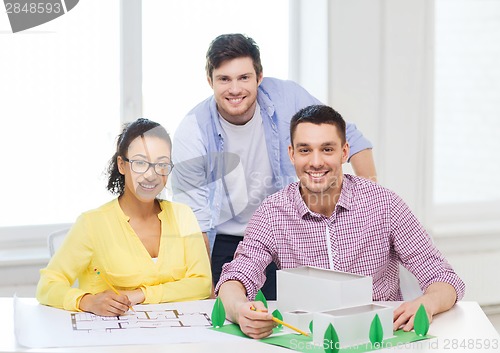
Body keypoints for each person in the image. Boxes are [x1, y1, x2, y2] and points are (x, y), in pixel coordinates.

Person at [216, 104, 465, 339]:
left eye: (327, 149)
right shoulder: (272, 212)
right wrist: (240, 310)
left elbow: (445, 279)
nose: (315, 162)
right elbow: (234, 278)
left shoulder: (384, 204)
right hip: (305, 337)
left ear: (344, 152)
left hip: (379, 334)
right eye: (305, 150)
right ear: (292, 154)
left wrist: (427, 302)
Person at [171, 33, 376, 300]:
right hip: (224, 240)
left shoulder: (287, 97)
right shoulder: (192, 132)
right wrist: (207, 289)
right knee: (231, 317)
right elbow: (194, 221)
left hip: (285, 232)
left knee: (305, 310)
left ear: (259, 77)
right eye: (224, 79)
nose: (235, 89)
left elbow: (350, 137)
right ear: (210, 81)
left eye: (244, 77)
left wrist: (370, 202)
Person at [36, 118, 211, 316]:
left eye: (161, 164)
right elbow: (47, 286)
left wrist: (141, 295)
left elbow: (202, 284)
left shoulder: (183, 215)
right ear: (122, 164)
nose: (151, 175)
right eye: (140, 163)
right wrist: (88, 301)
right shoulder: (92, 224)